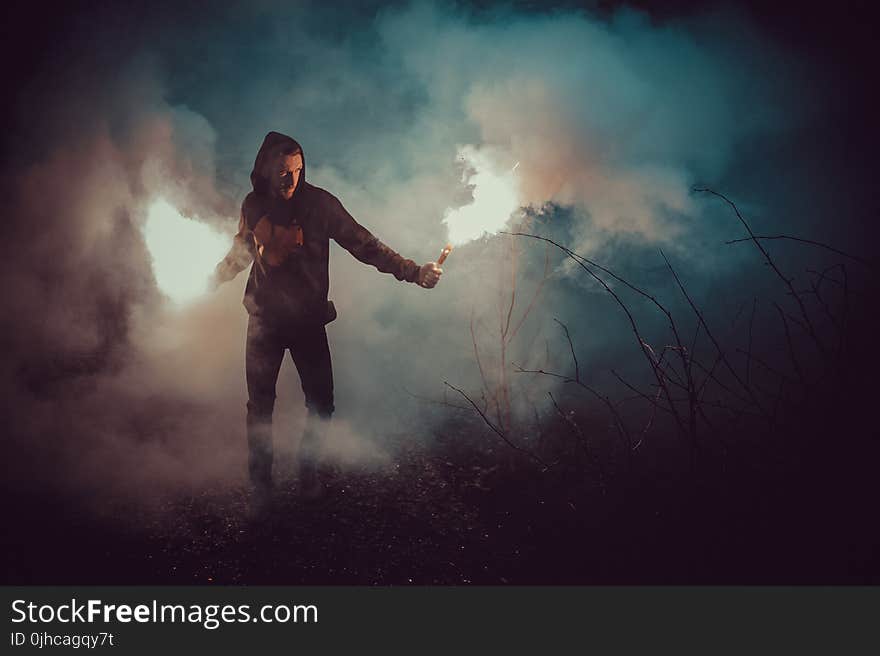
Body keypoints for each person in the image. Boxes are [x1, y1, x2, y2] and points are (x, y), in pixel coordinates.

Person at [213, 131, 442, 501]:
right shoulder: (253, 204)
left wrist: (414, 272)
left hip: (307, 322)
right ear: (266, 169)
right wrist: (215, 276)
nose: (291, 179)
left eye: (298, 171)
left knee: (320, 402)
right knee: (260, 406)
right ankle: (261, 486)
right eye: (284, 171)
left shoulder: (321, 205)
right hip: (264, 321)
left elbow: (365, 245)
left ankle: (309, 474)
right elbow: (242, 249)